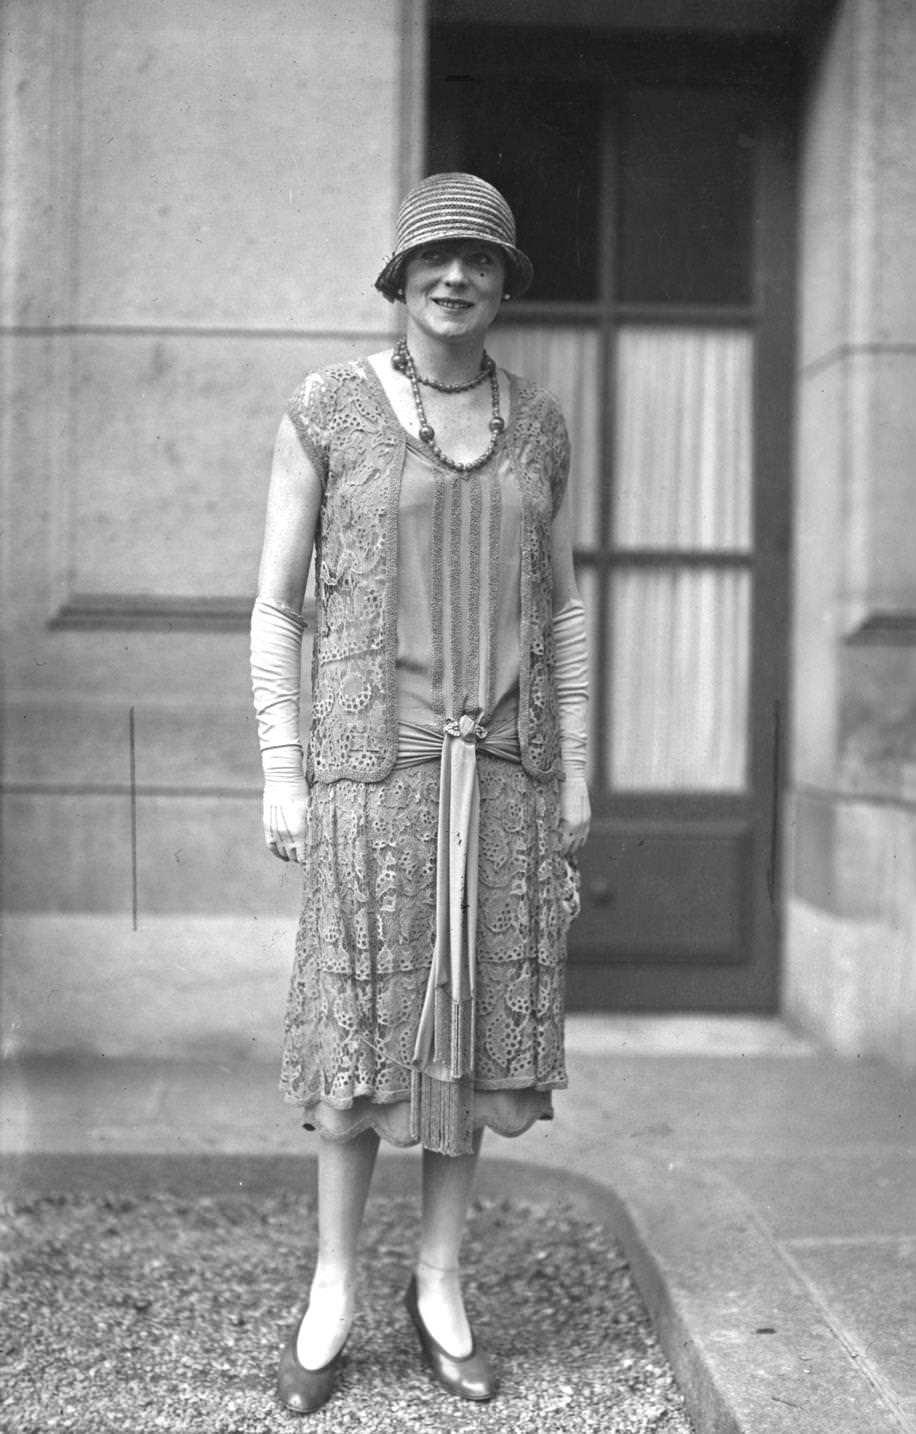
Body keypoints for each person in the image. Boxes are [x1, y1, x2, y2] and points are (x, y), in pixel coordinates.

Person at [249, 171, 591, 1415]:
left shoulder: (540, 427)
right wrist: (284, 768)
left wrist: (578, 772)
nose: (459, 278)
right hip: (368, 781)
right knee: (358, 1049)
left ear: (504, 284)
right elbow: (277, 603)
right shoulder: (329, 411)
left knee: (468, 1051)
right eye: (436, 259)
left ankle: (439, 1282)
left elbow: (560, 610)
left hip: (501, 783)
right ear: (400, 280)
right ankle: (335, 1285)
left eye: (483, 261)